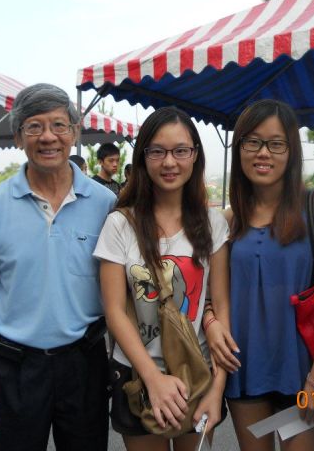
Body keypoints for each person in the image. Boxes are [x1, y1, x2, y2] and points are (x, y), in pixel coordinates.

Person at [0, 83, 116, 450]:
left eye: (59, 125)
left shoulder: (104, 203)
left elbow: (116, 295)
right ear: (17, 137)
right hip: (12, 369)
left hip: (84, 365)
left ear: (74, 133)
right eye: (34, 127)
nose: (48, 137)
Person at [95, 106, 230, 451]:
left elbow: (220, 305)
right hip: (137, 374)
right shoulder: (120, 224)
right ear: (143, 157)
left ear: (195, 156)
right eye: (157, 151)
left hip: (197, 371)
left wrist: (217, 389)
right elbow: (114, 312)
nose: (169, 162)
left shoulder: (213, 224)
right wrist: (153, 378)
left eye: (180, 150)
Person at [219, 99, 314, 451]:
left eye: (275, 144)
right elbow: (215, 297)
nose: (263, 153)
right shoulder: (229, 220)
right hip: (244, 372)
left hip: (302, 374)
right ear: (240, 148)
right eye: (253, 142)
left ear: (291, 151)